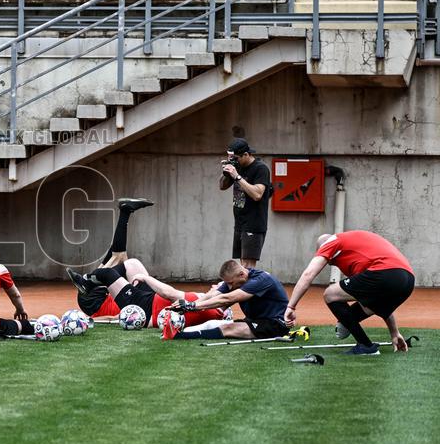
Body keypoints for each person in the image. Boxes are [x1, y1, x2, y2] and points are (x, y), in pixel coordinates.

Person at [66, 198, 229, 330]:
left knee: (117, 257)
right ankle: (125, 212)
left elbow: (116, 318)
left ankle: (86, 281)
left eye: (219, 285)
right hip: (141, 299)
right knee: (130, 262)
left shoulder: (202, 305)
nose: (214, 285)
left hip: (95, 302)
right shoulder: (202, 301)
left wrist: (90, 320)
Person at [284, 231, 415, 356]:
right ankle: (362, 340)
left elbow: (308, 274)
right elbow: (382, 302)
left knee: (330, 294)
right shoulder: (357, 248)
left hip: (384, 273)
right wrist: (394, 332)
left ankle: (366, 346)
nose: (329, 263)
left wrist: (291, 306)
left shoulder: (331, 242)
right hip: (408, 281)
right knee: (357, 313)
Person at [162, 259, 290, 341]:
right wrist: (189, 304)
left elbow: (227, 298)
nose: (228, 287)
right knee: (212, 323)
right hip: (256, 320)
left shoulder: (260, 280)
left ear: (242, 274)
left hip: (275, 325)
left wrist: (192, 307)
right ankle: (176, 331)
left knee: (229, 328)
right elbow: (213, 294)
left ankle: (178, 336)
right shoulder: (236, 280)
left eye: (230, 283)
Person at [218, 138, 271, 268]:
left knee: (248, 266)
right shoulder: (238, 167)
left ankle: (254, 283)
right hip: (240, 223)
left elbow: (257, 194)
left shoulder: (260, 168)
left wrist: (237, 176)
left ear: (246, 154)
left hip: (253, 223)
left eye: (236, 158)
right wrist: (227, 173)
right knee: (242, 264)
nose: (234, 161)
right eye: (231, 158)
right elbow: (222, 186)